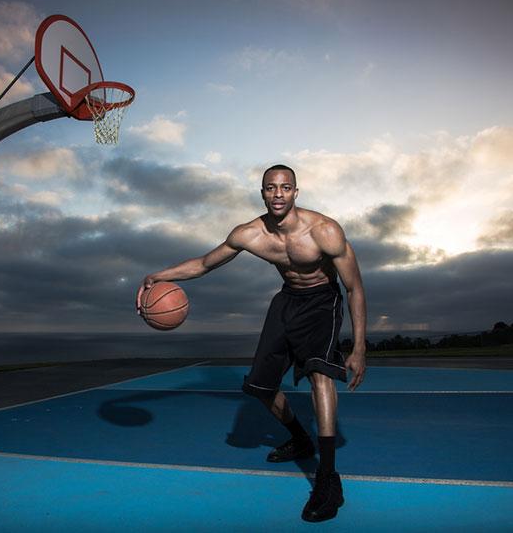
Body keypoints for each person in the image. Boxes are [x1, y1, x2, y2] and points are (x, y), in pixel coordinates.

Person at [136, 164, 367, 522]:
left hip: (323, 300)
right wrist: (157, 275)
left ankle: (328, 479)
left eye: (285, 187)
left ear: (295, 192)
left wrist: (359, 348)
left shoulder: (325, 231)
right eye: (271, 188)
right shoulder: (250, 233)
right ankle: (300, 439)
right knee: (260, 387)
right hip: (287, 300)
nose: (278, 194)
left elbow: (354, 287)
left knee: (319, 373)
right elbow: (203, 264)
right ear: (262, 193)